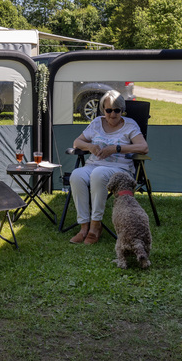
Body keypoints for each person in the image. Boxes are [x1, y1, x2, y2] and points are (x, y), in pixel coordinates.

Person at [68, 90, 148, 245]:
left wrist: (117, 148)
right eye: (108, 110)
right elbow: (77, 143)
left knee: (99, 174)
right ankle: (83, 227)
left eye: (117, 110)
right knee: (77, 175)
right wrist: (90, 146)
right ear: (103, 110)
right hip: (94, 164)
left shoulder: (130, 124)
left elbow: (143, 147)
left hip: (120, 169)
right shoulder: (97, 122)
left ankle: (96, 226)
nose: (112, 114)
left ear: (122, 110)